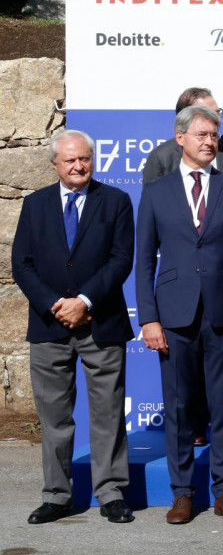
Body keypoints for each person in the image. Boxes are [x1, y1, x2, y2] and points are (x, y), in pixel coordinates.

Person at [134, 105, 223, 524]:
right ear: (180, 138)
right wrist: (149, 319)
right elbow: (144, 261)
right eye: (202, 134)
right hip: (173, 315)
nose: (210, 142)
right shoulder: (156, 191)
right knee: (179, 408)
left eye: (214, 135)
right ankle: (183, 494)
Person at [12, 130, 135, 524]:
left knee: (108, 412)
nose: (79, 166)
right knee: (54, 417)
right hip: (49, 325)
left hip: (101, 322)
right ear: (55, 164)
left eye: (85, 158)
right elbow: (21, 264)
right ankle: (57, 495)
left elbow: (121, 259)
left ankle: (111, 493)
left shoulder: (115, 201)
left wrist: (84, 301)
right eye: (70, 160)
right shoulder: (35, 204)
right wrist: (56, 305)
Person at [142, 87, 223, 183]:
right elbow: (153, 198)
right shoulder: (161, 157)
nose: (217, 119)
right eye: (208, 114)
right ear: (185, 117)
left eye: (218, 112)